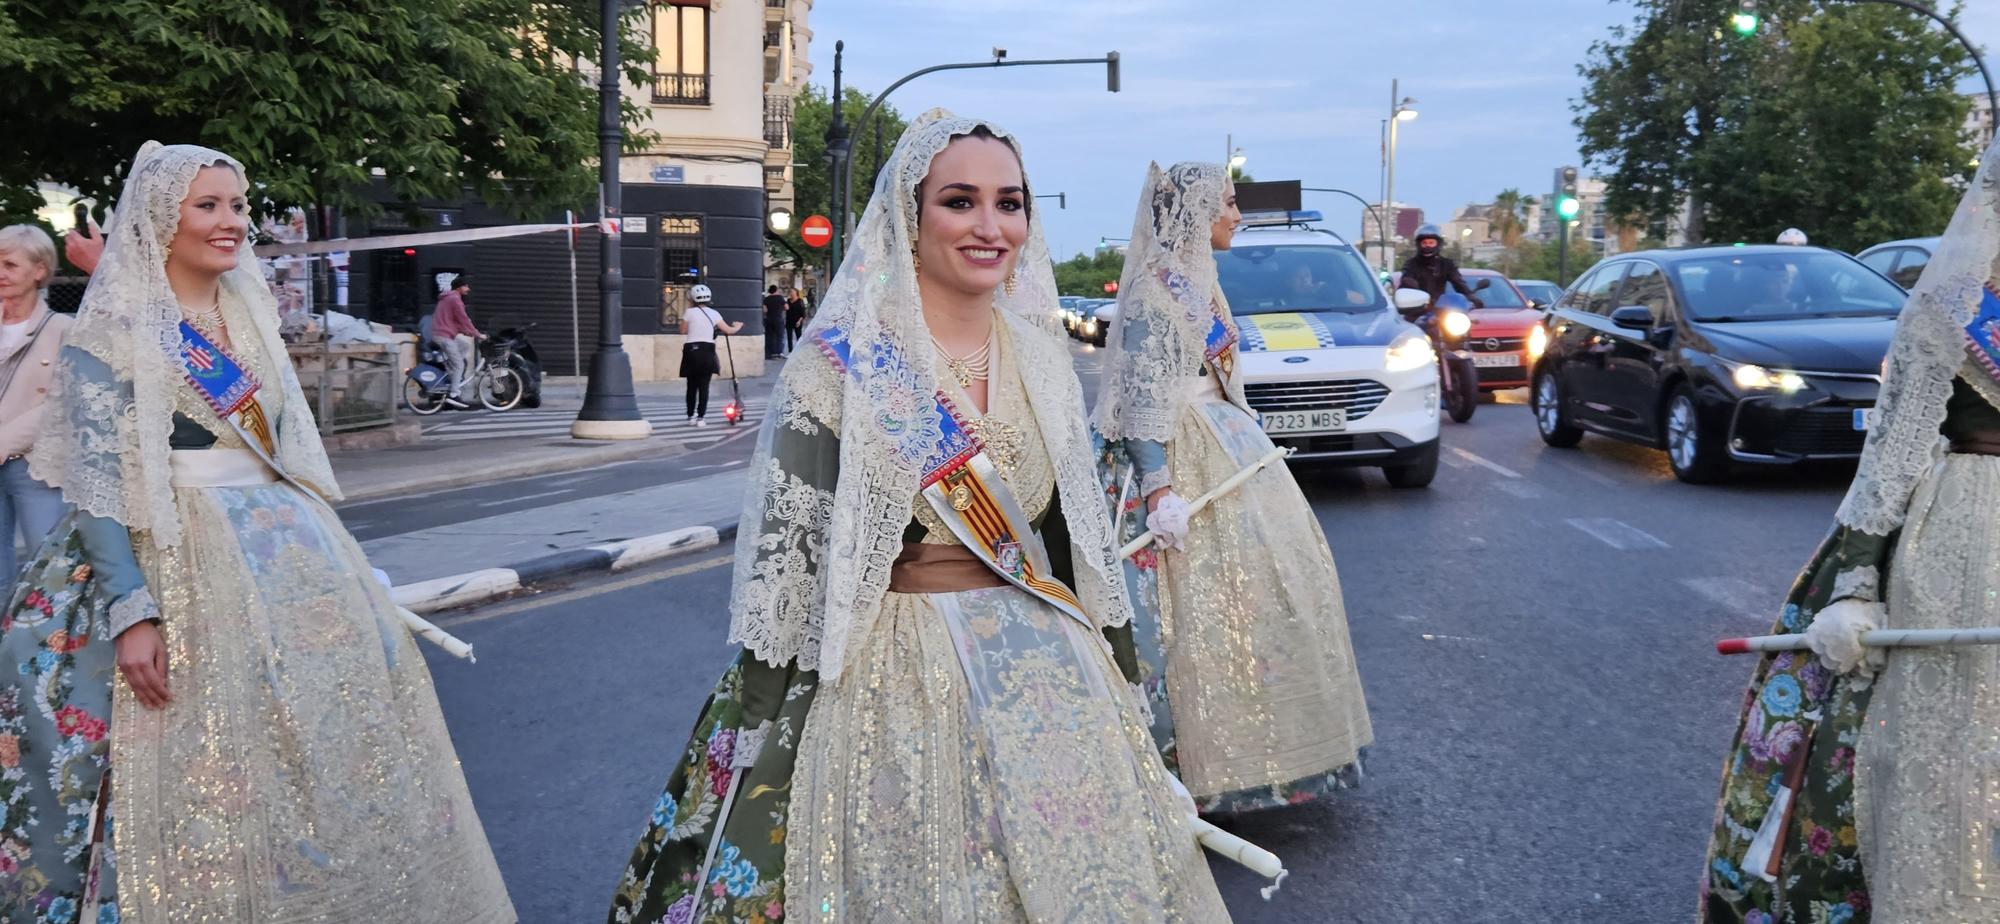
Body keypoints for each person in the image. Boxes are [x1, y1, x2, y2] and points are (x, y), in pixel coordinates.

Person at [607, 110, 1228, 923]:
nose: (990, 226)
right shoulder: (836, 371)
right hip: (891, 690)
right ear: (910, 216)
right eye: (960, 201)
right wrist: (745, 753)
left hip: (1053, 687)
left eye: (1010, 203)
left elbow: (1079, 548)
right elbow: (785, 586)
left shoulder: (1042, 360)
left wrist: (1133, 713)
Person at [3, 142, 514, 922]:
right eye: (207, 206)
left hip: (286, 561)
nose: (231, 222)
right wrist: (132, 609)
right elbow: (102, 484)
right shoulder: (112, 333)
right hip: (167, 558)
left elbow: (279, 448)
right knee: (188, 763)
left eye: (237, 206)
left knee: (315, 754)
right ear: (159, 220)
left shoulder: (250, 314)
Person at [1699, 144, 2000, 921]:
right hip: (1965, 544)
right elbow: (1892, 454)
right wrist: (1858, 583)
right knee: (1946, 768)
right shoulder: (1953, 309)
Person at [1094, 161, 1373, 815]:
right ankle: (1180, 767)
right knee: (1185, 618)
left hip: (1221, 447)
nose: (1236, 214)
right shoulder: (1153, 295)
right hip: (1172, 462)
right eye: (1227, 203)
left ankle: (1271, 756)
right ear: (1195, 213)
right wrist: (1160, 492)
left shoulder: (1199, 283)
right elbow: (1142, 400)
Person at [0, 225, 73, 584]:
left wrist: (3, 442)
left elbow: (61, 402)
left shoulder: (62, 329)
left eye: (10, 264)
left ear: (40, 270)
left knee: (47, 571)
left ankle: (38, 642)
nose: (0, 273)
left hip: (37, 467)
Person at [680, 283, 741, 427]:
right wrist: (738, 326)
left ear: (693, 298)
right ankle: (701, 417)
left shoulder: (689, 313)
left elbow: (682, 330)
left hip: (691, 352)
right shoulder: (714, 314)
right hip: (707, 351)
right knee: (704, 386)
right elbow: (728, 330)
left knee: (691, 386)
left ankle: (690, 416)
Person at [1396, 223, 1484, 309]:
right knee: (1409, 322)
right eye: (1424, 243)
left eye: (1431, 243)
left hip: (1440, 310)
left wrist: (1471, 296)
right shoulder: (1411, 264)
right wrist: (1410, 285)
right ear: (1419, 245)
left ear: (1438, 244)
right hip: (1417, 309)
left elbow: (1458, 282)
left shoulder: (1447, 264)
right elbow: (1406, 280)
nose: (1428, 246)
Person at [432, 273, 482, 409]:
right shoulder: (455, 299)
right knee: (459, 364)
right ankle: (454, 394)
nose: (468, 289)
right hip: (443, 336)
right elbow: (463, 319)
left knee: (464, 346)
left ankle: (451, 369)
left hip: (441, 334)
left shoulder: (448, 298)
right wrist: (477, 334)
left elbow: (454, 322)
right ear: (459, 287)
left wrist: (469, 332)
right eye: (466, 286)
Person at [761, 284, 789, 359]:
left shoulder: (766, 299)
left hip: (769, 320)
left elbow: (765, 310)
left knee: (769, 336)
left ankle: (769, 353)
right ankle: (779, 352)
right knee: (780, 336)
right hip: (778, 320)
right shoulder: (780, 298)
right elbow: (787, 307)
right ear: (776, 290)